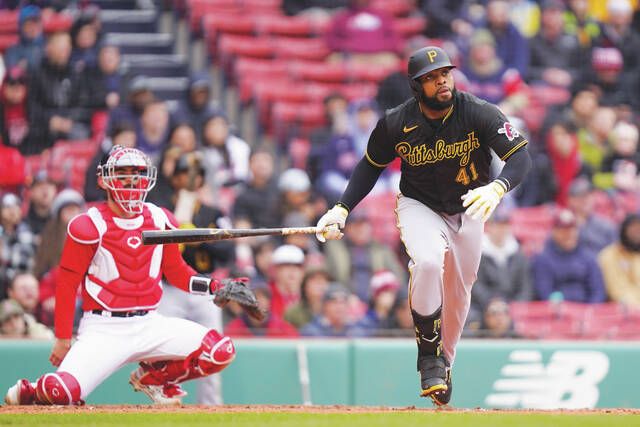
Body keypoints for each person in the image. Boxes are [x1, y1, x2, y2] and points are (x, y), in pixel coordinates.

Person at [315, 46, 531, 405]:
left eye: (444, 73)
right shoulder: (397, 122)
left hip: (470, 204)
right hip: (420, 205)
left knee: (460, 295)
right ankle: (428, 358)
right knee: (429, 262)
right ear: (416, 87)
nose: (441, 80)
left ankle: (443, 363)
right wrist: (342, 207)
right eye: (430, 78)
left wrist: (498, 186)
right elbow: (371, 165)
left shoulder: (477, 111)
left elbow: (520, 155)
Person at [3, 145, 260, 406]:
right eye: (122, 173)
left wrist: (217, 286)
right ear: (104, 179)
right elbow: (67, 285)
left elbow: (178, 273)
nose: (131, 181)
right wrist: (61, 338)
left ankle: (153, 378)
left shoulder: (161, 219)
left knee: (220, 351)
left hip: (150, 322)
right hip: (104, 329)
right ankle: (32, 390)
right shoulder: (87, 225)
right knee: (61, 394)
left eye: (137, 173)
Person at [598, 214, 640, 309]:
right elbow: (616, 292)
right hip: (621, 311)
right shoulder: (609, 255)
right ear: (624, 230)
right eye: (633, 228)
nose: (637, 233)